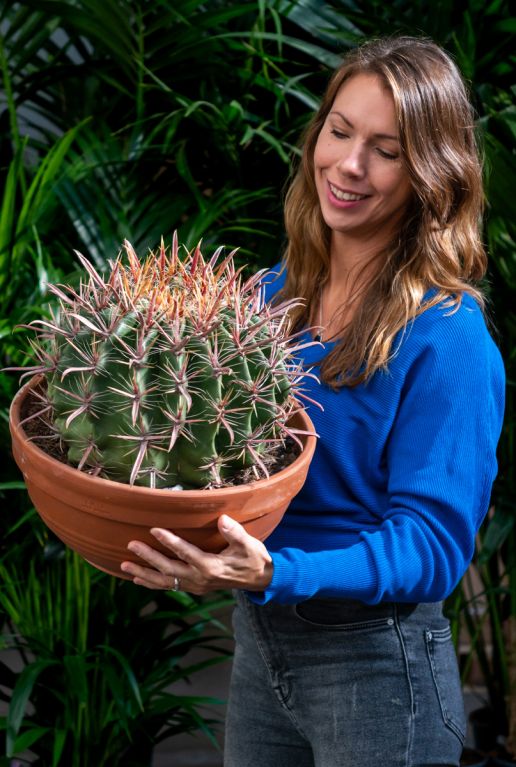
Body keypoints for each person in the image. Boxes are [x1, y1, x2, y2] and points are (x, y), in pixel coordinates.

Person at [120, 36, 505, 767]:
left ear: (431, 172)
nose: (349, 165)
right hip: (264, 646)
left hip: (379, 667)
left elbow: (432, 546)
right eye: (339, 130)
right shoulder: (272, 297)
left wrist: (275, 570)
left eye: (386, 149)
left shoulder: (450, 337)